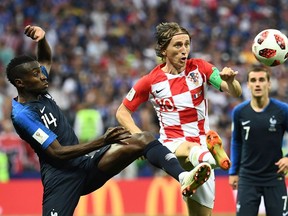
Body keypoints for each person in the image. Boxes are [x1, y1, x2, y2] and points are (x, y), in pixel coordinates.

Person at [6, 25, 212, 216]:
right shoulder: (23, 115)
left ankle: (184, 178)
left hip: (86, 165)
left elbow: (45, 60)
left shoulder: (37, 88)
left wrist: (42, 40)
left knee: (143, 138)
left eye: (40, 73)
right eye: (36, 74)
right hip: (62, 179)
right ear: (20, 83)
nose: (43, 76)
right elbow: (57, 153)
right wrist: (103, 141)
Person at [116, 22, 242, 216]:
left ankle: (206, 165)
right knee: (192, 149)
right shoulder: (150, 81)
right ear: (164, 49)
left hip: (202, 144)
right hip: (172, 146)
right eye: (178, 45)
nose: (184, 50)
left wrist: (231, 81)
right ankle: (215, 160)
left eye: (187, 44)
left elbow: (234, 93)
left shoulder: (200, 68)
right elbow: (122, 112)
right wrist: (139, 137)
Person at [229, 65, 288, 216]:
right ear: (248, 84)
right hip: (248, 177)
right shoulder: (239, 112)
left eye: (261, 80)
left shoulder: (283, 111)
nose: (257, 84)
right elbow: (236, 142)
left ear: (269, 83)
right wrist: (233, 172)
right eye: (253, 80)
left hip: (274, 176)